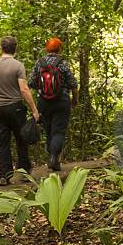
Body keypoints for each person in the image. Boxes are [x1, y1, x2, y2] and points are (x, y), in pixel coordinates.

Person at [0, 36, 40, 185]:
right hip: (15, 107)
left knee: (2, 141)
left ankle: (5, 174)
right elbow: (24, 89)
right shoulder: (18, 66)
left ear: (1, 48)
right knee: (21, 138)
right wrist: (34, 110)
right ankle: (24, 172)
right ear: (15, 48)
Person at [28, 37, 78, 171]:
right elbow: (73, 83)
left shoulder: (40, 63)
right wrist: (75, 99)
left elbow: (31, 83)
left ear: (47, 49)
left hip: (43, 101)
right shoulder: (62, 63)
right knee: (59, 131)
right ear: (59, 49)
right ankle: (54, 158)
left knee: (49, 130)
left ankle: (51, 157)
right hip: (61, 100)